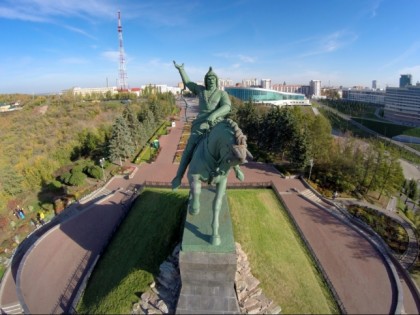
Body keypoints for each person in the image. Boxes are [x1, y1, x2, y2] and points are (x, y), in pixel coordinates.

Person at [172, 61, 233, 190]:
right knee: (189, 148)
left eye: (213, 78)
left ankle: (235, 170)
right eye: (208, 78)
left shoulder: (222, 94)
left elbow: (227, 107)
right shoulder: (200, 90)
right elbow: (188, 83)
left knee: (230, 146)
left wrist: (214, 115)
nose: (211, 80)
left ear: (217, 81)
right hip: (200, 124)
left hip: (217, 124)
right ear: (205, 80)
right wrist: (181, 70)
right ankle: (178, 177)